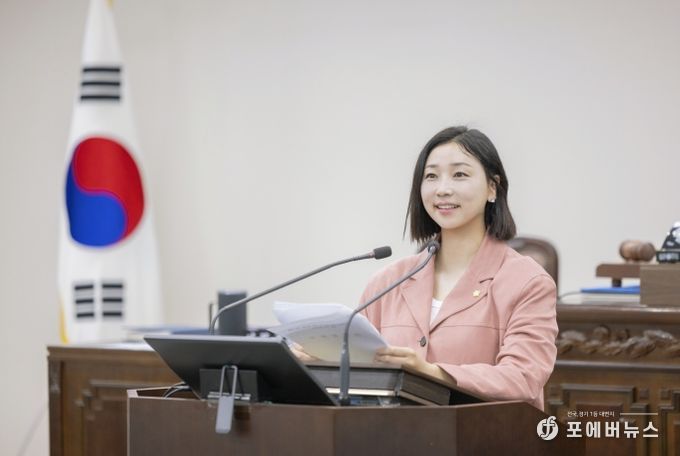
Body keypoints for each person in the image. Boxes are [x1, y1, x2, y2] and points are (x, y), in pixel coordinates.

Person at [361, 126, 557, 411]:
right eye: (431, 176)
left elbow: (522, 378)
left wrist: (431, 373)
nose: (442, 189)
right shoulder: (387, 282)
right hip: (393, 432)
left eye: (460, 174)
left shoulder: (529, 282)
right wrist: (321, 358)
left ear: (493, 187)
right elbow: (359, 364)